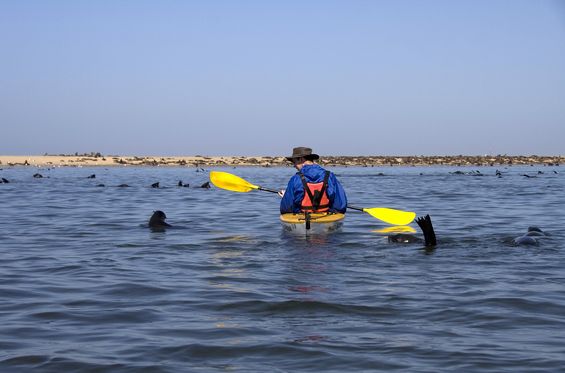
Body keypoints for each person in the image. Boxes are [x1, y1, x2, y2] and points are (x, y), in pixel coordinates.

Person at [280, 147, 347, 214]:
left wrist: (285, 197)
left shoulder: (295, 179)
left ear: (301, 159)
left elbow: (286, 209)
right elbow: (340, 206)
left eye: (294, 162)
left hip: (302, 219)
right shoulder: (329, 176)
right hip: (325, 218)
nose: (294, 166)